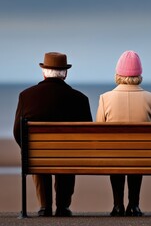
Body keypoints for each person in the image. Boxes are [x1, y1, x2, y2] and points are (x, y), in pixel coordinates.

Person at [14, 52, 93, 217]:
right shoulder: (80, 99)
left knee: (36, 153)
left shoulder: (26, 96)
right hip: (68, 157)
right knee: (68, 154)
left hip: (38, 156)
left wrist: (27, 148)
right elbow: (88, 134)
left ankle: (45, 206)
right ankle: (63, 206)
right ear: (65, 74)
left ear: (44, 72)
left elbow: (17, 130)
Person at [96, 50, 151, 217]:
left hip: (113, 155)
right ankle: (134, 205)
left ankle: (118, 205)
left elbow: (98, 131)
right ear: (139, 74)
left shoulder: (105, 98)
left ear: (118, 73)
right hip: (141, 155)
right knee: (137, 152)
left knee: (115, 153)